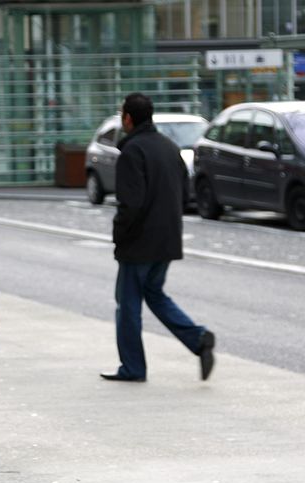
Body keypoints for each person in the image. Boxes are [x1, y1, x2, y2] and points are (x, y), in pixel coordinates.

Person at [101, 92, 215, 382]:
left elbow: (131, 204)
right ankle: (198, 338)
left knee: (128, 307)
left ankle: (133, 367)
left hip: (139, 242)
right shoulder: (169, 147)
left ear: (128, 118)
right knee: (155, 294)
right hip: (168, 239)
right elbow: (184, 194)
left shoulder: (132, 151)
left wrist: (119, 236)